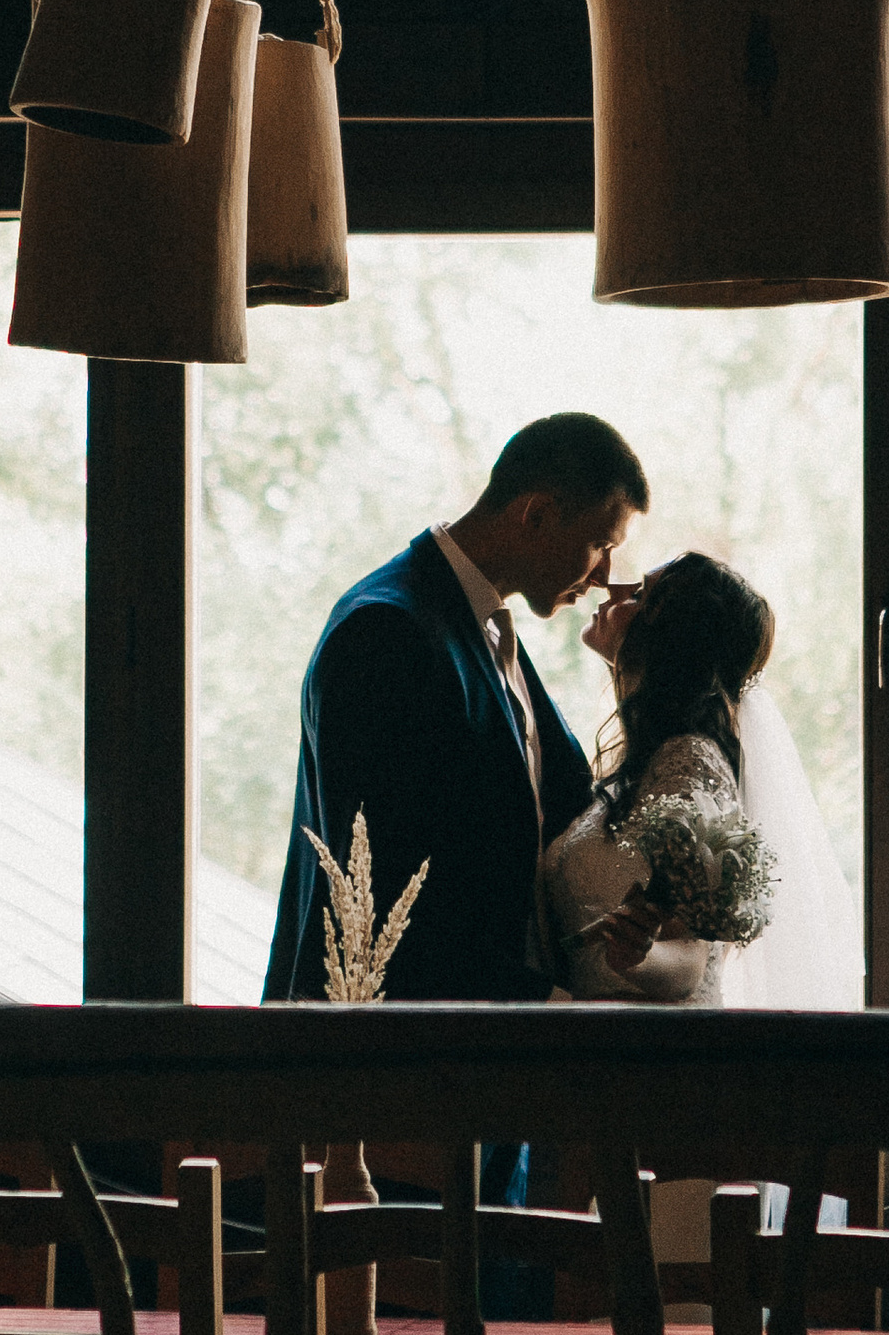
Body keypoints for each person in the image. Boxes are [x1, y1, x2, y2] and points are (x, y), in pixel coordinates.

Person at [260, 411, 647, 1006]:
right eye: (601, 545)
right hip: (406, 1049)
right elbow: (392, 887)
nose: (603, 578)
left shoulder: (480, 627)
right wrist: (553, 1007)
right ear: (537, 515)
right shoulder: (386, 631)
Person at [541, 551, 865, 1012]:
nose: (613, 590)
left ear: (670, 639)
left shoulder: (688, 762)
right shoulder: (647, 762)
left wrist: (640, 954)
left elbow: (692, 958)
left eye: (639, 595)